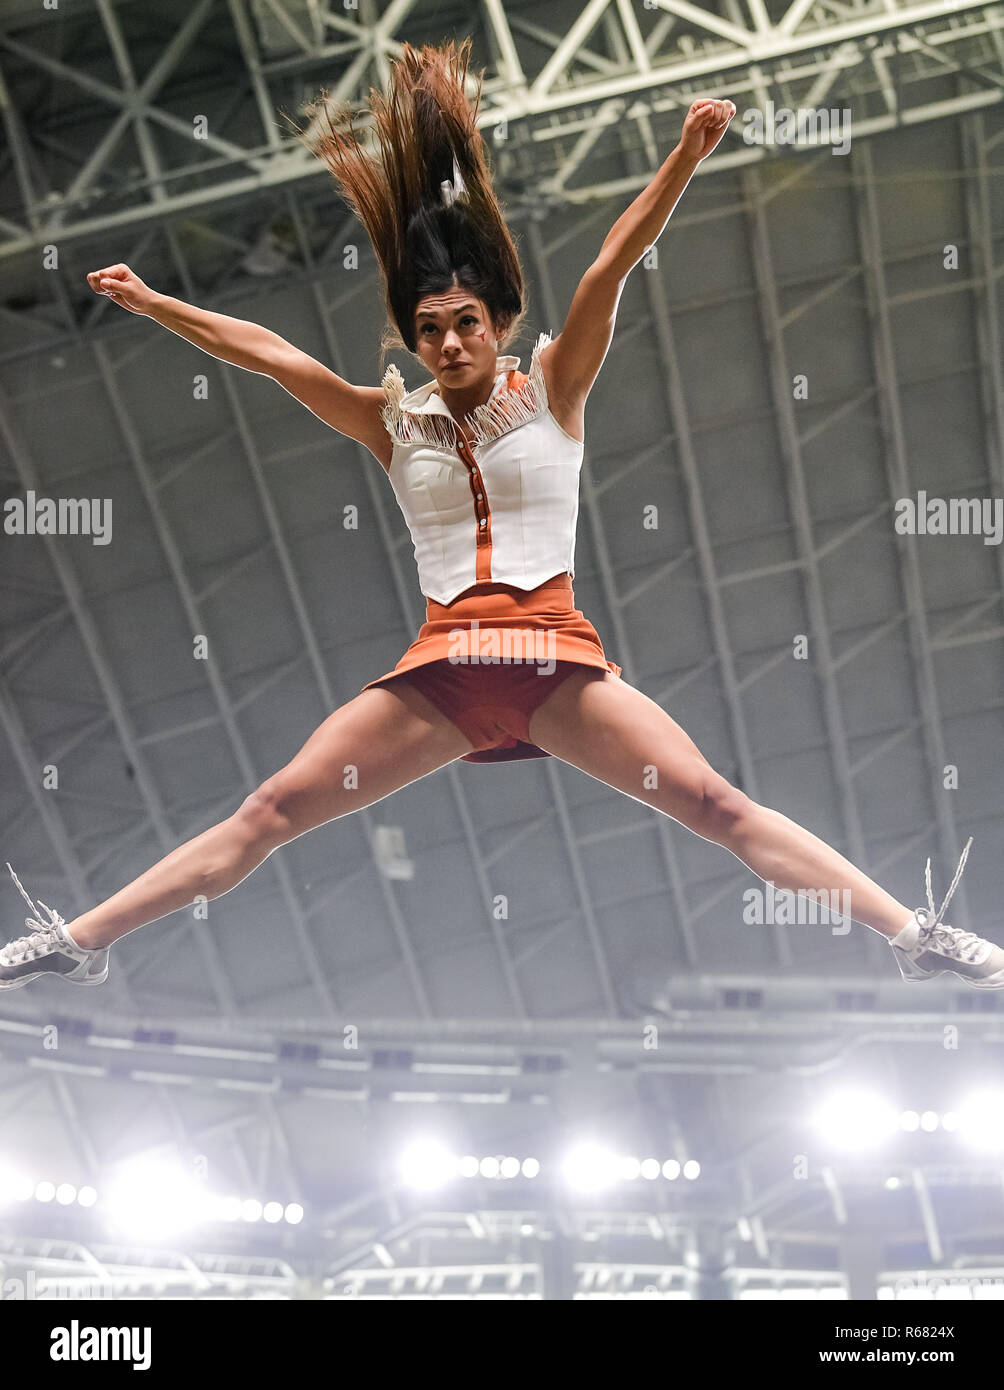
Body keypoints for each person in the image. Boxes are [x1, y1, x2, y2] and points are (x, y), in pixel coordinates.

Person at [2, 40, 1001, 993]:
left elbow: (608, 267)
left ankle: (912, 937)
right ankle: (79, 941)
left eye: (463, 323)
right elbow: (270, 355)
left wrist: (684, 158)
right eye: (427, 328)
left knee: (713, 804)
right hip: (438, 680)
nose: (444, 341)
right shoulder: (388, 422)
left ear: (498, 324)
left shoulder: (557, 386)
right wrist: (152, 303)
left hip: (552, 663)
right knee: (266, 810)